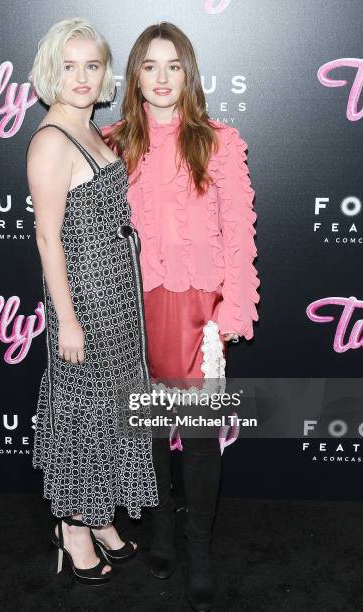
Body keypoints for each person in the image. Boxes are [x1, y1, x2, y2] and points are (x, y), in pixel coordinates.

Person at [103, 22, 260, 611]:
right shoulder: (112, 143)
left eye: (174, 66)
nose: (163, 78)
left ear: (188, 73)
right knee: (145, 436)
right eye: (150, 65)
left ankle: (199, 549)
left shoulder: (219, 141)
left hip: (198, 311)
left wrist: (234, 308)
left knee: (196, 439)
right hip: (133, 311)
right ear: (135, 74)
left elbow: (240, 236)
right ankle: (161, 533)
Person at [26, 18, 158, 587]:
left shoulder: (93, 131)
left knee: (112, 413)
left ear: (105, 72)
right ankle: (74, 527)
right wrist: (69, 322)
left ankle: (102, 516)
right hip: (83, 300)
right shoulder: (51, 139)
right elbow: (48, 237)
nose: (82, 77)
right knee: (83, 416)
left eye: (93, 65)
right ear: (51, 71)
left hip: (118, 299)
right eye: (70, 65)